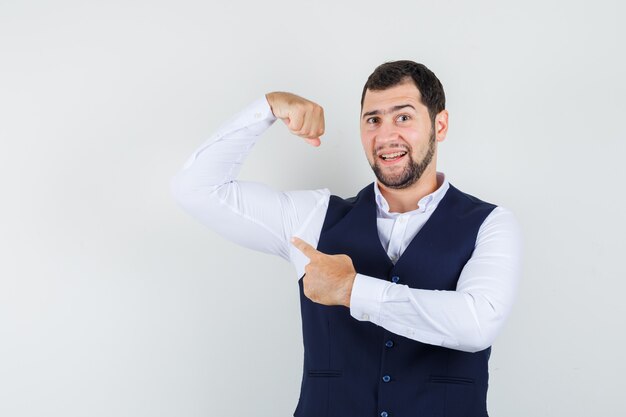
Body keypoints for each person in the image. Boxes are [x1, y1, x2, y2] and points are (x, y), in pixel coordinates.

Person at [170, 60, 522, 417]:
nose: (385, 136)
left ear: (439, 124)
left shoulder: (490, 224)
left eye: (403, 117)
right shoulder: (312, 216)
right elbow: (195, 189)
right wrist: (269, 107)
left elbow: (477, 325)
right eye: (373, 120)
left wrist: (351, 290)